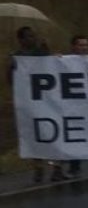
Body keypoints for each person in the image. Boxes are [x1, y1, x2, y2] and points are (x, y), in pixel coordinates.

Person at [10, 26, 56, 182]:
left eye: (33, 35)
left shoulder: (41, 51)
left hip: (46, 100)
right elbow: (10, 80)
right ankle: (38, 167)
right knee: (33, 134)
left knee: (51, 132)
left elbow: (53, 68)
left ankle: (57, 166)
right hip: (28, 101)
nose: (32, 38)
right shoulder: (16, 56)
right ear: (21, 40)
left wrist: (47, 50)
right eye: (29, 36)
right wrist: (11, 65)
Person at [65, 35, 88, 179]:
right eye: (81, 45)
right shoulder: (65, 61)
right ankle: (74, 168)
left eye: (86, 45)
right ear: (73, 47)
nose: (84, 48)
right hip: (75, 107)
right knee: (75, 138)